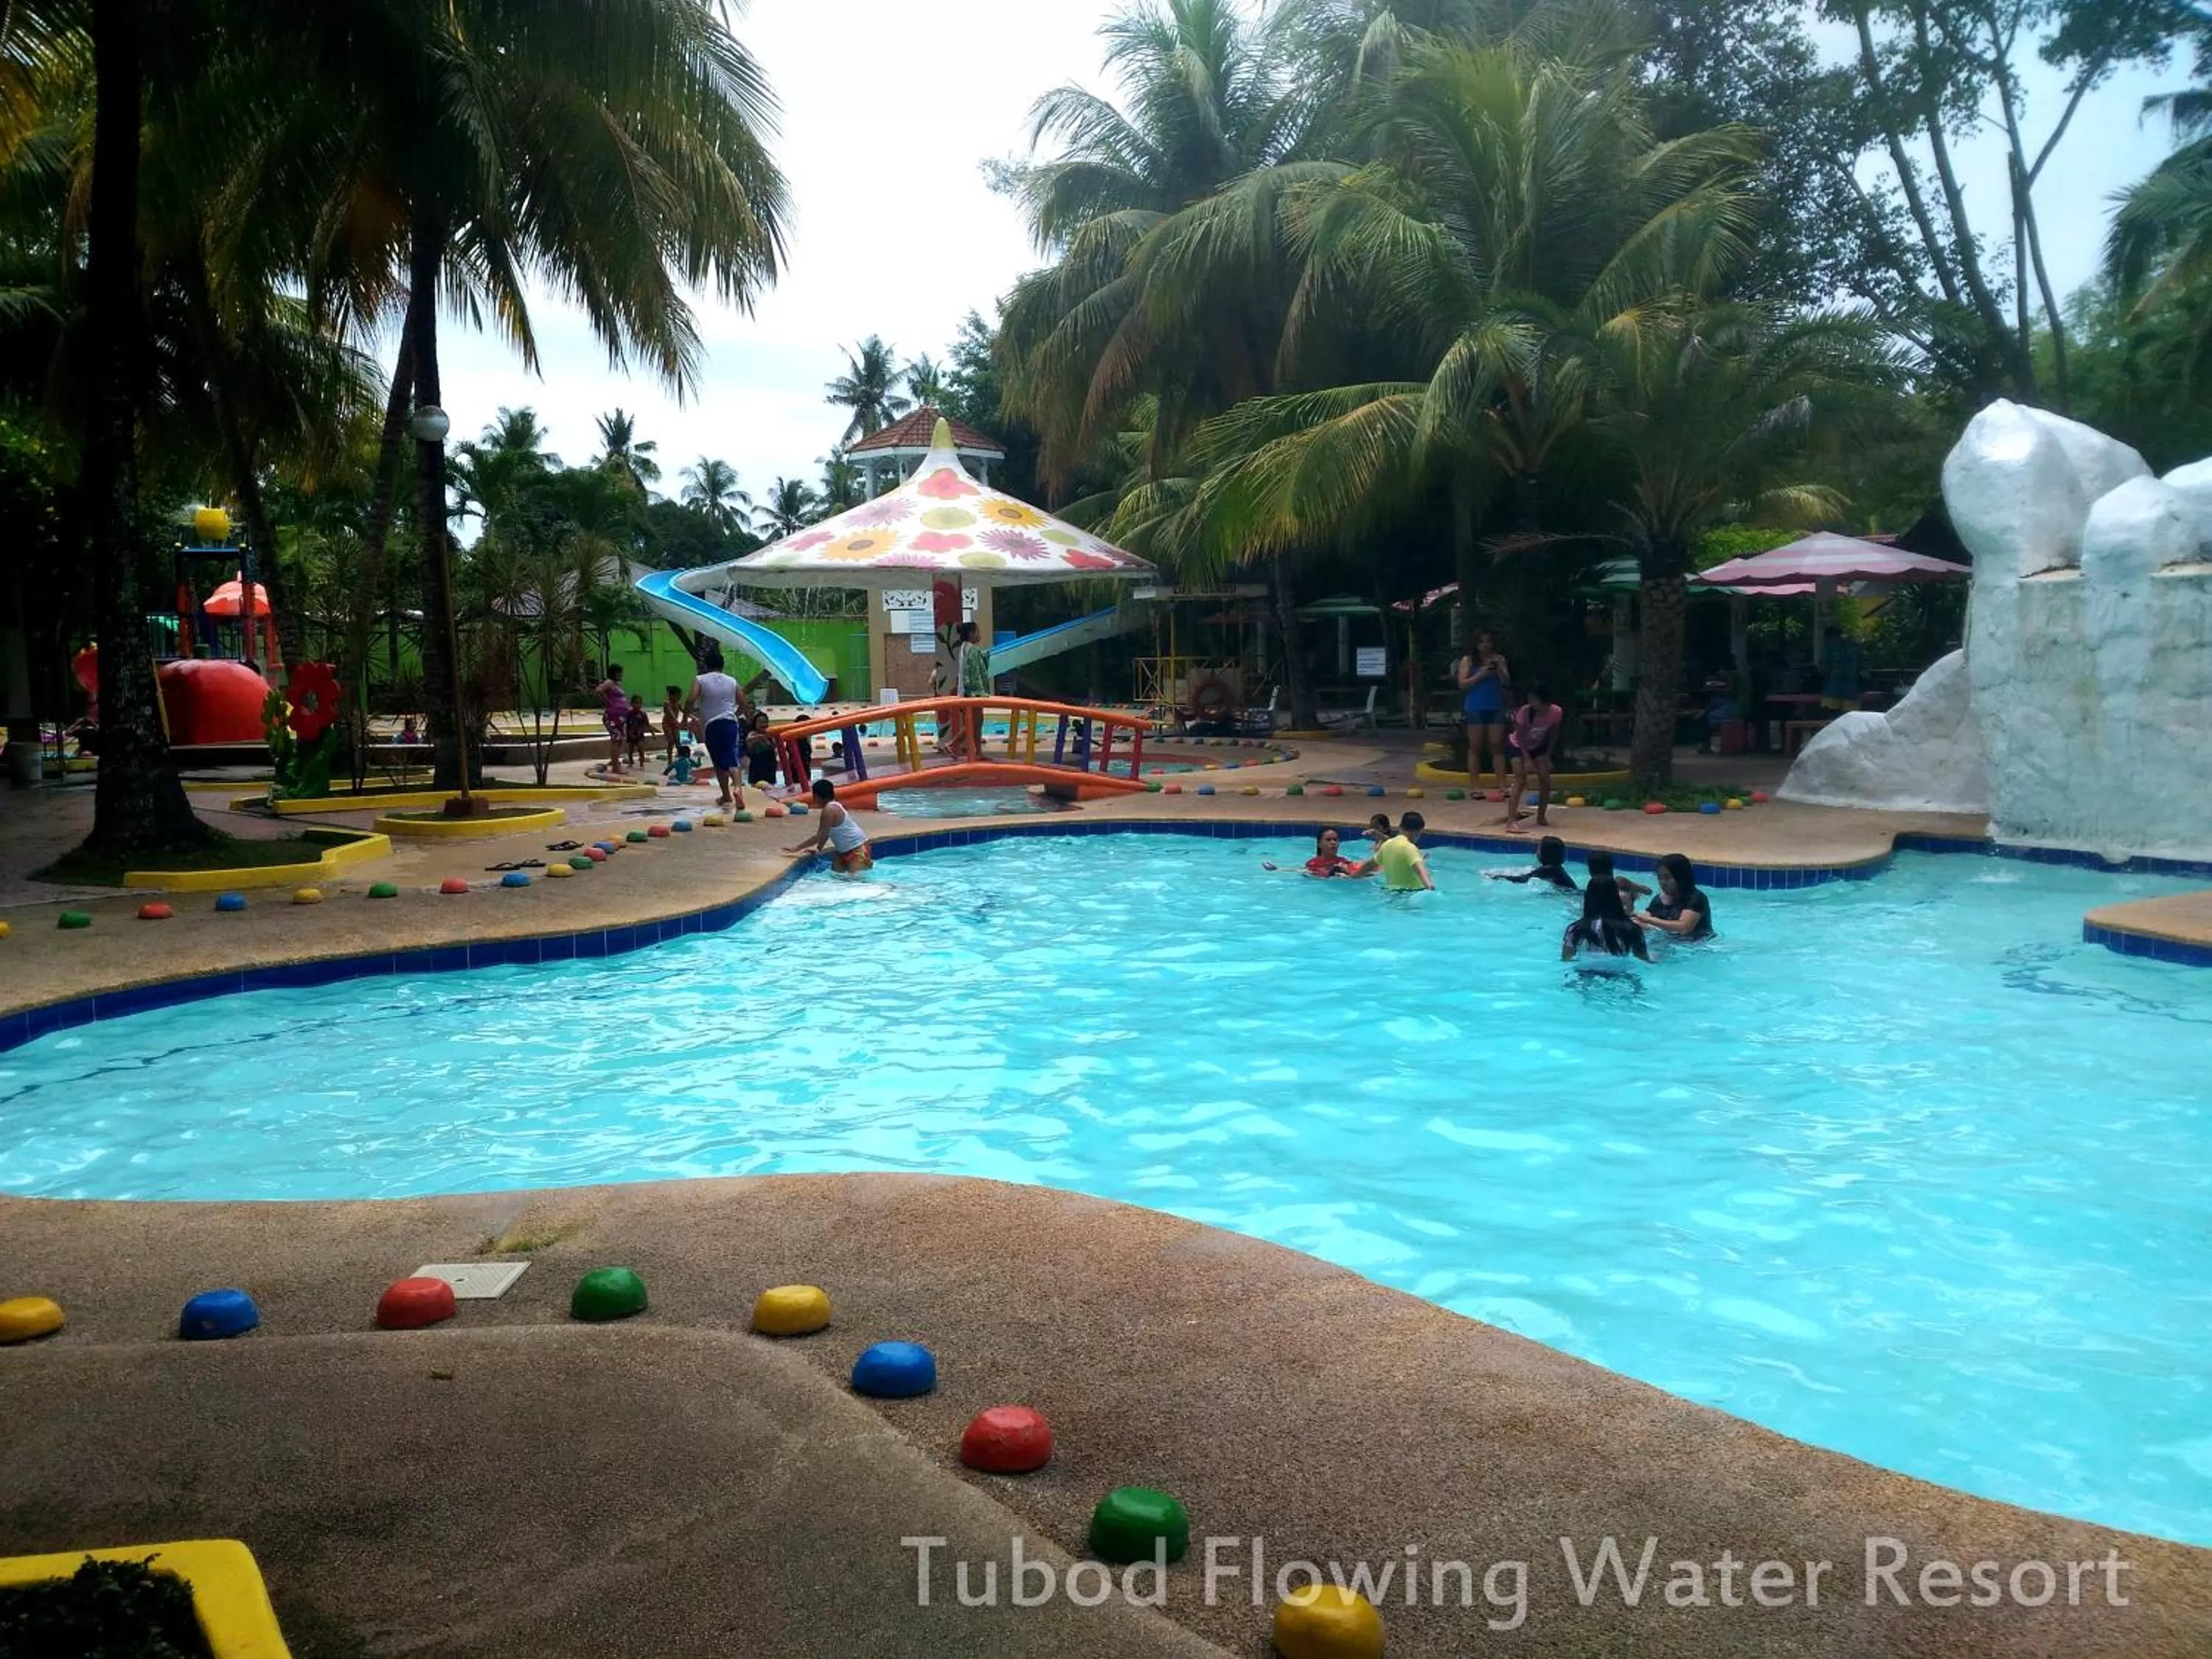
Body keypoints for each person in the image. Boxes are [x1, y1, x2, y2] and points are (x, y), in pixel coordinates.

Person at [686, 648, 747, 810]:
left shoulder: (700, 680)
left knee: (719, 762)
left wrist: (686, 717)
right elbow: (743, 703)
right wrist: (734, 715)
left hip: (711, 725)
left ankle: (726, 796)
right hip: (729, 724)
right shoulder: (732, 681)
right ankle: (738, 789)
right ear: (723, 665)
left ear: (706, 665)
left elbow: (691, 698)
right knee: (732, 758)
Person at [1500, 682, 1563, 833]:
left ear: (1543, 700)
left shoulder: (1556, 712)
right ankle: (1511, 821)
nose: (1530, 702)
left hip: (1538, 746)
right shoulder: (1525, 712)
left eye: (1534, 699)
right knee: (1521, 779)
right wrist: (1527, 758)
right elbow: (1520, 737)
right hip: (1517, 745)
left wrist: (1548, 755)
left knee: (1545, 779)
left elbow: (1554, 734)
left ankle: (1541, 817)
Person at [1563, 855, 1651, 962]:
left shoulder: (1575, 929)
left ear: (1588, 898)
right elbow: (1644, 961)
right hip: (1622, 976)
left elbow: (1566, 960)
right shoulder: (1633, 929)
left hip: (1586, 976)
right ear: (1616, 898)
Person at [785, 777, 872, 874]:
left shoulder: (829, 810)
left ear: (817, 796)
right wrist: (818, 848)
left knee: (856, 881)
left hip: (857, 849)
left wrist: (797, 848)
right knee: (836, 877)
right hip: (843, 851)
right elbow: (827, 833)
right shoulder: (834, 805)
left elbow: (820, 835)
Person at [1455, 630, 1509, 787]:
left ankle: (1502, 784)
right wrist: (1482, 674)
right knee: (1475, 746)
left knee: (1497, 745)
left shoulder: (1499, 659)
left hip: (1495, 706)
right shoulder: (1468, 661)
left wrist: (1499, 669)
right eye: (1482, 642)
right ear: (1477, 645)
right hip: (1476, 707)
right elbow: (1462, 684)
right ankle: (1475, 784)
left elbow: (1506, 681)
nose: (1486, 645)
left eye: (1488, 641)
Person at [1637, 852, 1714, 941]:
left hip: (1699, 945)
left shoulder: (1696, 898)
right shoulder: (1659, 900)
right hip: (1672, 942)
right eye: (1660, 878)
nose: (1662, 882)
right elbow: (1645, 919)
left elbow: (1684, 928)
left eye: (1667, 878)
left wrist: (1649, 920)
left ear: (1681, 877)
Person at [1264, 827, 1376, 878]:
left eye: (1336, 840)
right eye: (1328, 840)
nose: (1333, 843)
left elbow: (1357, 871)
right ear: (1319, 844)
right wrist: (1278, 869)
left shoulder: (1343, 861)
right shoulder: (1313, 863)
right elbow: (1302, 871)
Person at [1486, 833, 1576, 890]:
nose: (1536, 852)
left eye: (1539, 849)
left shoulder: (1549, 870)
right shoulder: (1556, 869)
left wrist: (1498, 877)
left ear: (1546, 854)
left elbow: (1522, 879)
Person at [1374, 810, 1435, 892]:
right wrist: (1431, 888)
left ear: (1400, 827)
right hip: (1411, 894)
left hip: (1391, 893)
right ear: (1418, 832)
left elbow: (1370, 865)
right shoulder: (1410, 848)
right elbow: (1421, 871)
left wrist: (1354, 876)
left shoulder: (1387, 845)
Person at [595, 664, 629, 776]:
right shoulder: (609, 682)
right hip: (612, 716)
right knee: (617, 740)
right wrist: (608, 702)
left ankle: (615, 761)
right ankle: (615, 767)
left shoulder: (616, 684)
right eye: (619, 673)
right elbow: (599, 690)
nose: (621, 675)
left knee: (618, 740)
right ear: (614, 673)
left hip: (619, 717)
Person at [1820, 626, 1861, 713]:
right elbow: (1857, 665)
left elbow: (1824, 666)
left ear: (1828, 637)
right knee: (1850, 715)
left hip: (1832, 687)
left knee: (1830, 715)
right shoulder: (1851, 645)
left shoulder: (1828, 645)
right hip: (1851, 688)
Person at [744, 709, 779, 793]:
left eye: (765, 722)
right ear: (755, 724)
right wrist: (762, 736)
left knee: (770, 788)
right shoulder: (753, 733)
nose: (763, 724)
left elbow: (774, 748)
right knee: (756, 789)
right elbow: (749, 741)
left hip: (769, 765)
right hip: (757, 765)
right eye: (760, 722)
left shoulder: (770, 734)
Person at [661, 685, 685, 760]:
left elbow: (684, 711)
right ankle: (670, 759)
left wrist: (693, 717)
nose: (680, 697)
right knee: (671, 742)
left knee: (678, 742)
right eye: (678, 695)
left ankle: (682, 758)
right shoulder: (667, 704)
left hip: (674, 725)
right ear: (672, 695)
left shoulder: (678, 703)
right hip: (667, 725)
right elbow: (671, 713)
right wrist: (676, 720)